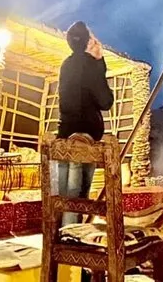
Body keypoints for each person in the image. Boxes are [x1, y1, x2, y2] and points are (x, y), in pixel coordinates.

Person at [57, 21, 114, 226]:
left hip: (64, 136)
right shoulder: (90, 66)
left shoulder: (65, 65)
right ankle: (70, 236)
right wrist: (99, 61)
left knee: (62, 195)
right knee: (77, 196)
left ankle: (58, 236)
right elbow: (105, 101)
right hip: (84, 139)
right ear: (88, 41)